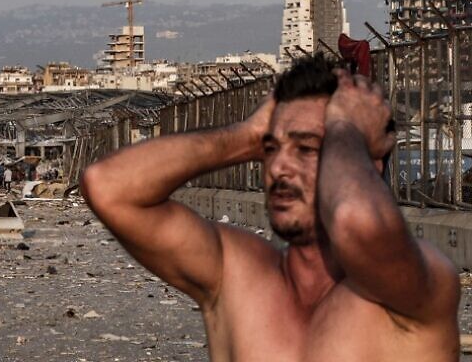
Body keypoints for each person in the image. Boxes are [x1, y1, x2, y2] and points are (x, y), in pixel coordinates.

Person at [81, 54, 459, 361]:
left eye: (307, 148)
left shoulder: (412, 290)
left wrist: (346, 126)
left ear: (365, 162)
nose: (277, 168)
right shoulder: (236, 275)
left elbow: (354, 221)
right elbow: (108, 186)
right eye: (271, 149)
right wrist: (247, 136)